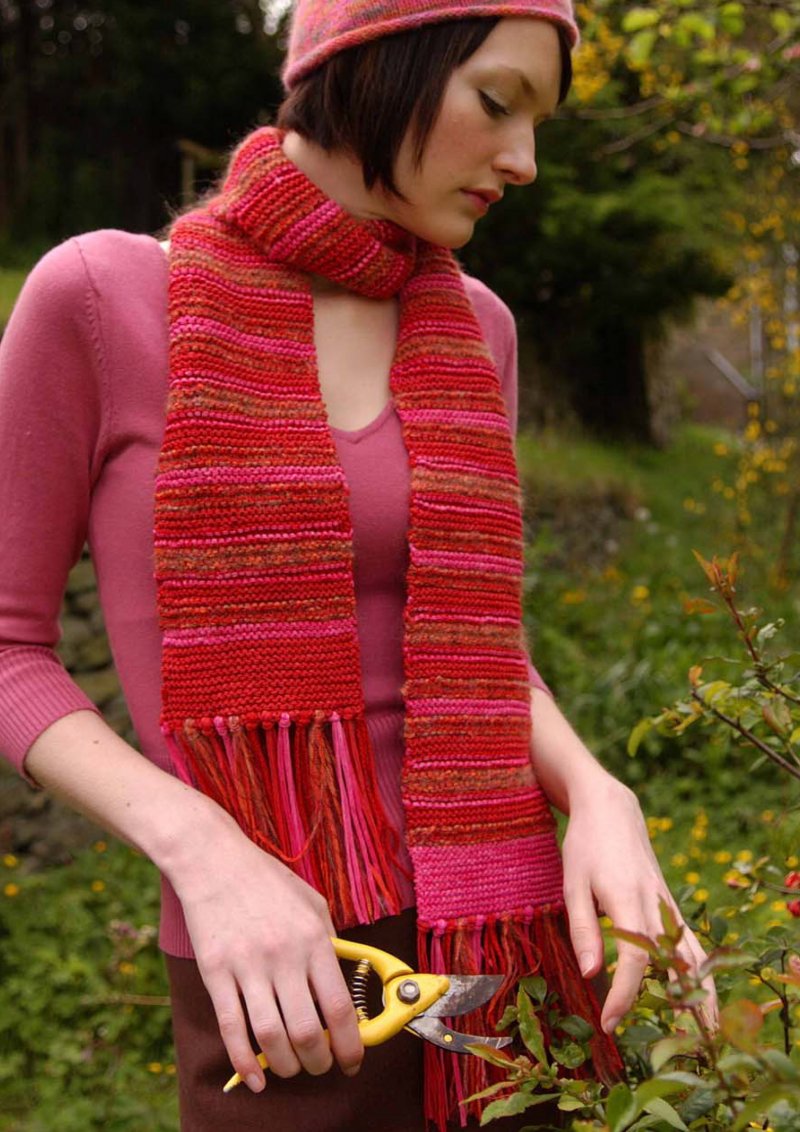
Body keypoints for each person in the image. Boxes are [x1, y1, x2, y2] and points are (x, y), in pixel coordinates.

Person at [0, 1, 716, 1129]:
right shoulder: (103, 297)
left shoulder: (477, 327)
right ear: (374, 64)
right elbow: (9, 649)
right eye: (497, 102)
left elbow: (472, 651)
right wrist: (204, 850)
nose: (524, 162)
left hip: (514, 935)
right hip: (283, 963)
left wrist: (595, 790)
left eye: (538, 123)